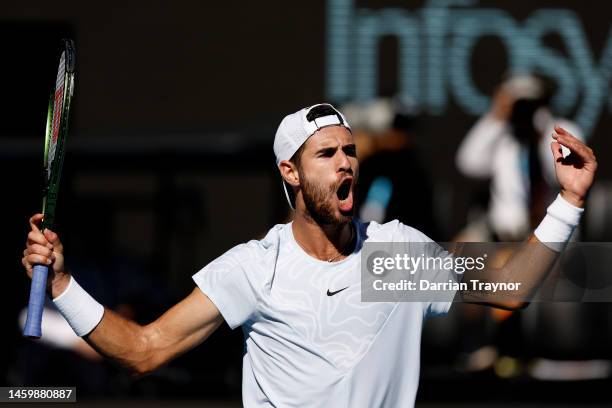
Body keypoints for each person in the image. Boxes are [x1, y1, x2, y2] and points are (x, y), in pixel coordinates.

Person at [22, 103, 597, 407]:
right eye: (327, 153)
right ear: (290, 172)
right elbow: (143, 351)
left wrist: (568, 202)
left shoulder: (393, 256)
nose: (346, 162)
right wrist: (63, 286)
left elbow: (511, 286)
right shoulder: (254, 268)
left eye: (350, 151)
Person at [456, 74, 584, 241]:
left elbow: (562, 176)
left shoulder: (563, 130)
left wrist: (542, 130)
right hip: (505, 235)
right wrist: (496, 117)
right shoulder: (504, 137)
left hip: (552, 234)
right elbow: (468, 163)